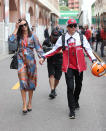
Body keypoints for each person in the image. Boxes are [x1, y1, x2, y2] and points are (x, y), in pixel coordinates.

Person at [39, 19, 97, 119]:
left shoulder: (81, 37)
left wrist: (94, 60)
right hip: (68, 66)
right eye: (71, 26)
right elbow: (54, 50)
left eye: (75, 25)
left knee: (78, 86)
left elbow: (88, 50)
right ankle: (72, 109)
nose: (73, 27)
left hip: (79, 67)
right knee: (70, 87)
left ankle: (75, 100)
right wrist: (44, 57)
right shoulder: (62, 38)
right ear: (67, 27)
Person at [8, 18, 44, 114]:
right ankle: (24, 104)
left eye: (25, 25)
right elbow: (11, 41)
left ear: (27, 25)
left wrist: (41, 58)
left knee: (31, 83)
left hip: (31, 62)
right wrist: (16, 28)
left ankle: (30, 102)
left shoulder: (33, 36)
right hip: (21, 61)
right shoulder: (18, 36)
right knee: (23, 82)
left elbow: (39, 48)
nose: (23, 27)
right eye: (21, 25)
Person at [42, 29, 63, 99]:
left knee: (57, 77)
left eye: (57, 37)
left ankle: (54, 88)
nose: (55, 38)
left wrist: (53, 51)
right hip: (50, 60)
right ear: (51, 35)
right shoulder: (46, 41)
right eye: (54, 37)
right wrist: (57, 51)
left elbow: (64, 50)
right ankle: (52, 90)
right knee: (51, 75)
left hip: (60, 60)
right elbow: (44, 49)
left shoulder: (60, 40)